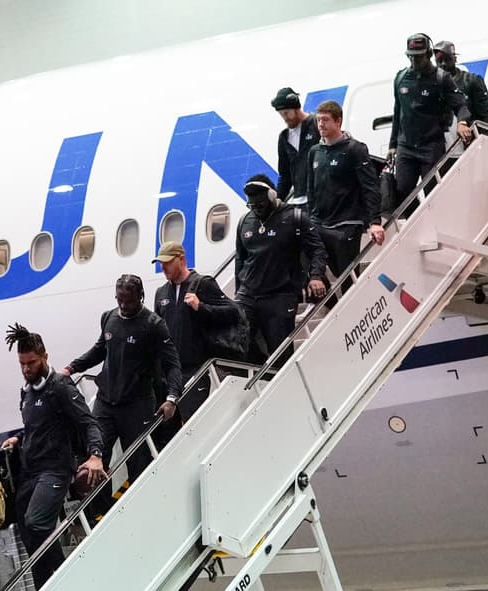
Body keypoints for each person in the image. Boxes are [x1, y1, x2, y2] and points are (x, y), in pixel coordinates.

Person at [1, 325, 105, 591]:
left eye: (31, 362)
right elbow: (37, 427)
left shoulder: (60, 386)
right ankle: (44, 589)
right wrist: (19, 439)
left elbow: (88, 423)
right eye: (22, 364)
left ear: (45, 356)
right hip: (30, 470)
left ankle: (62, 575)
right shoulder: (26, 392)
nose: (26, 368)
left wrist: (95, 455)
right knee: (25, 529)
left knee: (37, 522)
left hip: (55, 469)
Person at [63, 275, 182, 505]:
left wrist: (172, 397)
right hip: (106, 402)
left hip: (136, 406)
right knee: (95, 459)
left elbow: (173, 365)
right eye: (119, 300)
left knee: (137, 462)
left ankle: (143, 508)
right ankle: (99, 514)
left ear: (141, 297)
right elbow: (100, 350)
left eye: (128, 301)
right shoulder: (108, 318)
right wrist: (72, 367)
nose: (123, 306)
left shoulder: (153, 325)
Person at [234, 174, 327, 365]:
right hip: (248, 295)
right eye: (251, 206)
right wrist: (238, 290)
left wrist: (316, 276)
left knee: (280, 353)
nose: (256, 209)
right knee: (239, 343)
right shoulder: (245, 222)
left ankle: (277, 380)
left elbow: (317, 249)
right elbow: (240, 259)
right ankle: (260, 373)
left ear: (271, 197)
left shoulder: (294, 218)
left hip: (280, 295)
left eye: (259, 204)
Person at [151, 242, 237, 420]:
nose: (163, 267)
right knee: (167, 431)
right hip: (168, 374)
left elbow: (233, 312)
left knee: (193, 423)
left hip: (195, 369)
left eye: (167, 262)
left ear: (181, 259)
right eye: (161, 263)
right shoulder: (161, 293)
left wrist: (201, 307)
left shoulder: (202, 284)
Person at [303, 101, 386, 285]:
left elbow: (370, 187)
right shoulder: (315, 152)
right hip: (320, 221)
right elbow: (311, 188)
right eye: (318, 120)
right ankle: (330, 306)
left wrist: (374, 222)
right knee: (306, 259)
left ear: (338, 121)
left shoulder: (354, 149)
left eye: (325, 120)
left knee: (348, 278)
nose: (321, 125)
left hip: (346, 223)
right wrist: (310, 216)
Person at [388, 34, 472, 206]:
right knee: (403, 192)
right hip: (406, 146)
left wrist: (462, 122)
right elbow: (398, 113)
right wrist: (392, 145)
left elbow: (461, 105)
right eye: (411, 56)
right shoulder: (400, 78)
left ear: (427, 54)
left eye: (418, 56)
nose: (414, 60)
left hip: (431, 145)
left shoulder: (441, 78)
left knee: (433, 194)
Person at [271, 87, 318, 205]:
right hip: (299, 200)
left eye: (287, 112)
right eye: (281, 114)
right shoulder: (284, 137)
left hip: (320, 196)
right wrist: (277, 201)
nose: (285, 117)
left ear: (297, 108)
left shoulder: (317, 124)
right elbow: (285, 175)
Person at [433, 41, 488, 128]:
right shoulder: (432, 85)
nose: (443, 64)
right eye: (439, 61)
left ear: (455, 59)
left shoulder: (472, 81)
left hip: (470, 135)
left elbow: (487, 117)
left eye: (447, 59)